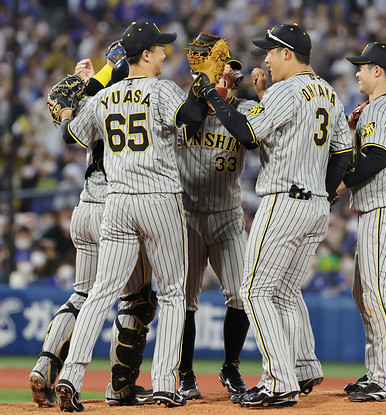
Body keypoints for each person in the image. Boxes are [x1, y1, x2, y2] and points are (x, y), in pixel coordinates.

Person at [191, 23, 353, 406]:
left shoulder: (287, 89)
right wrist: (326, 194)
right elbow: (343, 153)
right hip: (315, 206)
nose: (264, 58)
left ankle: (279, 381)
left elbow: (247, 133)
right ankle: (302, 366)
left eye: (270, 51)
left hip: (284, 199)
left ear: (287, 54)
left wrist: (214, 99)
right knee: (283, 291)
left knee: (255, 290)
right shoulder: (328, 92)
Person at [51, 20, 207, 412]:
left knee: (101, 292)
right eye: (161, 48)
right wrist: (202, 85)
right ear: (147, 54)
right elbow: (191, 119)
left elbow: (72, 135)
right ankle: (164, 385)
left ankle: (71, 375)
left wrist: (70, 110)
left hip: (118, 201)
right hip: (157, 199)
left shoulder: (106, 97)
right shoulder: (163, 89)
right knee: (172, 293)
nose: (165, 53)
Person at [29, 47, 155, 409]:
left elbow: (72, 109)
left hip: (84, 206)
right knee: (137, 299)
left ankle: (45, 366)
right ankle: (121, 387)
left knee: (83, 295)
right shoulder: (134, 99)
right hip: (116, 208)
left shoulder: (92, 101)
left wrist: (85, 85)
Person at [175, 54, 256, 400]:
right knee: (183, 300)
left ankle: (231, 366)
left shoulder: (247, 111)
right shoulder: (184, 108)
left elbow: (253, 134)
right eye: (219, 74)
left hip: (226, 216)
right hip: (187, 216)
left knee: (243, 294)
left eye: (230, 75)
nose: (227, 79)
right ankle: (185, 374)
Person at [339, 42, 386, 402]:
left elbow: (375, 159)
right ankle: (377, 371)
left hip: (385, 209)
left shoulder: (381, 108)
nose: (357, 72)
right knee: (364, 295)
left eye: (363, 67)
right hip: (380, 210)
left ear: (378, 71)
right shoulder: (381, 107)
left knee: (378, 296)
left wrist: (341, 181)